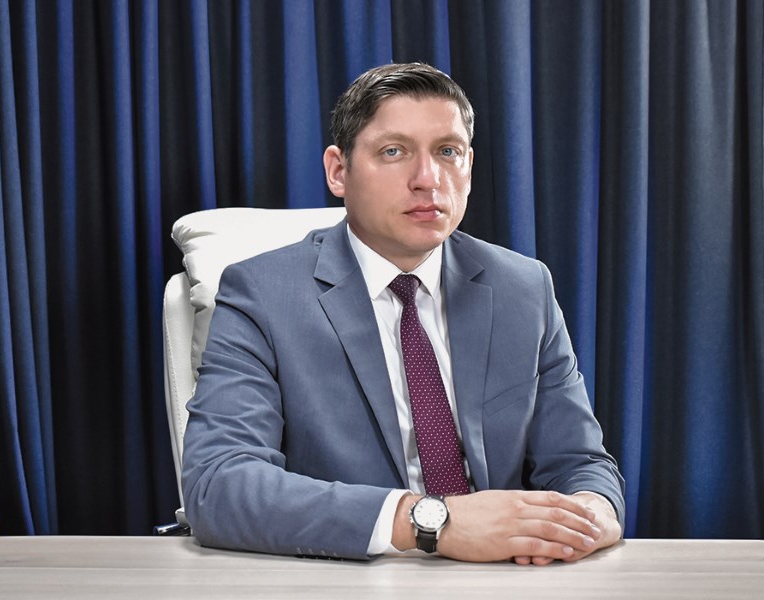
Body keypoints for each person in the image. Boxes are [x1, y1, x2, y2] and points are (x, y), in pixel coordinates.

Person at [182, 62, 625, 565]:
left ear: (469, 166)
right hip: (346, 578)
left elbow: (579, 463)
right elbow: (217, 484)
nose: (428, 179)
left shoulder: (523, 288)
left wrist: (591, 512)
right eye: (393, 151)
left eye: (448, 152)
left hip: (503, 577)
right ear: (338, 171)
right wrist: (429, 522)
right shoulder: (263, 293)